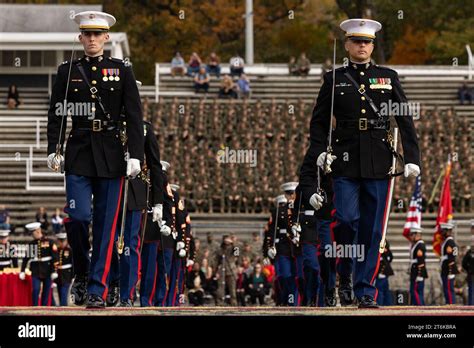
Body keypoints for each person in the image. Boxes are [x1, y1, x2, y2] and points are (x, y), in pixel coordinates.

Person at [307, 18, 420, 308]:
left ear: (372, 45)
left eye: (367, 42)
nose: (362, 46)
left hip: (379, 160)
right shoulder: (334, 79)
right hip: (344, 159)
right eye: (356, 41)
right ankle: (344, 272)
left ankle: (365, 291)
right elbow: (318, 122)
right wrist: (319, 150)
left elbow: (404, 119)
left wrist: (412, 158)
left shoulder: (388, 76)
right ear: (347, 44)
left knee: (372, 230)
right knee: (345, 218)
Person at [47, 11, 144, 308]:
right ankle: (82, 270)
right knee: (77, 218)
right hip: (78, 151)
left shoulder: (121, 70)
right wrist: (54, 147)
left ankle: (97, 289)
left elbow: (134, 116)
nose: (91, 39)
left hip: (112, 154)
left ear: (106, 38)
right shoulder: (68, 70)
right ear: (80, 38)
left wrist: (136, 156)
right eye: (86, 34)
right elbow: (57, 113)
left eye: (96, 34)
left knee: (105, 227)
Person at [108, 119, 165, 307]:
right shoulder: (108, 121)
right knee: (107, 242)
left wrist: (158, 201)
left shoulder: (144, 128)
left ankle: (127, 294)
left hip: (134, 191)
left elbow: (155, 165)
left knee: (129, 245)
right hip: (108, 186)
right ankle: (112, 283)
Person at [263, 195, 297, 306]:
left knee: (295, 276)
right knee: (282, 276)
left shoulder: (298, 209)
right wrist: (267, 251)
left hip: (294, 246)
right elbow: (269, 234)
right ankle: (283, 299)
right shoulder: (278, 213)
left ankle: (292, 300)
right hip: (281, 247)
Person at [20, 222, 58, 306]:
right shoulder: (31, 244)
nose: (32, 235)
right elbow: (26, 259)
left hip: (48, 270)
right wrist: (22, 271)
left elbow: (55, 258)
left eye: (32, 233)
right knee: (35, 289)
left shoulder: (50, 242)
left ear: (38, 230)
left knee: (46, 291)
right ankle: (34, 307)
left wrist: (54, 271)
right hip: (35, 270)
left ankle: (44, 309)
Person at [214, 235, 238, 306]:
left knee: (232, 290)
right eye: (225, 239)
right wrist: (216, 272)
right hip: (222, 271)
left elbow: (237, 253)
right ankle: (219, 303)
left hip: (231, 270)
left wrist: (233, 243)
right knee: (220, 289)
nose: (226, 240)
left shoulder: (234, 248)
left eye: (228, 239)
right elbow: (216, 261)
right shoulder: (220, 249)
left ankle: (234, 303)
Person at [440, 222, 459, 304]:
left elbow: (451, 258)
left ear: (448, 231)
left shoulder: (449, 242)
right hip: (445, 269)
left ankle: (451, 305)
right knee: (446, 289)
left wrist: (450, 272)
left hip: (448, 270)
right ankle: (449, 303)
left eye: (443, 231)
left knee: (448, 289)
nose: (442, 232)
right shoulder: (447, 241)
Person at [408, 227, 427, 306]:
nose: (411, 236)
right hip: (415, 269)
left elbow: (421, 261)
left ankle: (420, 306)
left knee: (415, 290)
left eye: (412, 234)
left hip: (417, 271)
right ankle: (419, 306)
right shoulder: (416, 244)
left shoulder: (420, 245)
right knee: (417, 291)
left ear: (417, 235)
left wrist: (419, 274)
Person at [53, 231, 73, 306]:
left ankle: (63, 307)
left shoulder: (70, 250)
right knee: (59, 293)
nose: (61, 243)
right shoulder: (56, 250)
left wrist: (73, 276)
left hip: (67, 275)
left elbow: (73, 264)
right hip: (58, 275)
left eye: (63, 241)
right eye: (60, 241)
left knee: (64, 293)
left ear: (66, 241)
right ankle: (62, 308)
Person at [375, 240, 394, 306]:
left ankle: (380, 303)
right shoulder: (383, 240)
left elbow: (388, 258)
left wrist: (381, 272)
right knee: (386, 290)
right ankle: (388, 304)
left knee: (379, 289)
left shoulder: (381, 241)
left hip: (382, 272)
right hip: (384, 272)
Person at [462, 222, 473, 305]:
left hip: (472, 271)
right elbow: (464, 262)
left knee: (472, 292)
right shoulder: (471, 239)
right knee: (471, 292)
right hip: (471, 271)